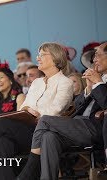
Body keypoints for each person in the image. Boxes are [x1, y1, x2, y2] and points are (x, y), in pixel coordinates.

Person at [0, 42, 74, 180]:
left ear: (55, 57)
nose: (38, 58)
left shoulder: (65, 82)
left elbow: (56, 110)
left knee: (1, 122)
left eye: (42, 55)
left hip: (46, 134)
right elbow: (24, 107)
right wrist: (29, 109)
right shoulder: (37, 83)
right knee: (3, 142)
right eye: (38, 55)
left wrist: (34, 111)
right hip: (28, 130)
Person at [17, 42, 107, 180]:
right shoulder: (95, 79)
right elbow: (76, 107)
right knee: (48, 137)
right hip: (76, 125)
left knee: (45, 119)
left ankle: (30, 169)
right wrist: (88, 89)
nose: (94, 60)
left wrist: (99, 84)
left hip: (95, 128)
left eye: (98, 55)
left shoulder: (99, 80)